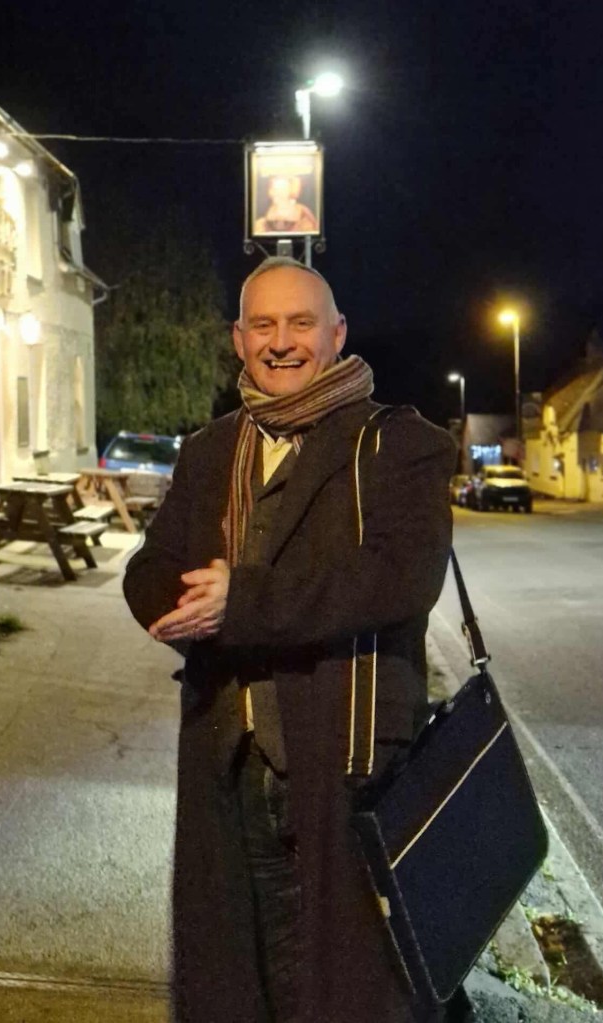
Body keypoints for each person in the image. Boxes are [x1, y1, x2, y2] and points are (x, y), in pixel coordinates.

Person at [123, 257, 458, 1023]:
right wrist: (174, 603)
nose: (281, 342)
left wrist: (240, 602)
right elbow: (151, 566)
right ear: (238, 340)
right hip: (226, 759)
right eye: (264, 325)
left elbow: (401, 578)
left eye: (301, 323)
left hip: (350, 763)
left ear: (336, 334)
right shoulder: (209, 450)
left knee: (349, 986)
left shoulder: (399, 445)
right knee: (234, 974)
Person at [254, 175, 318, 234]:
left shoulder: (302, 212)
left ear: (290, 191)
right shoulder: (263, 219)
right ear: (271, 191)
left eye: (282, 190)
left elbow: (310, 232)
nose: (279, 193)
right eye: (276, 189)